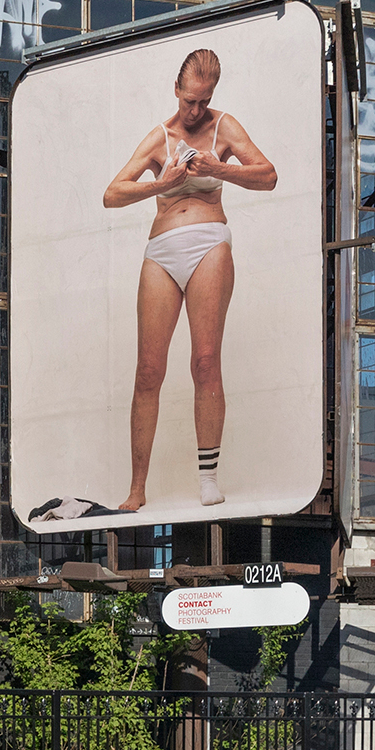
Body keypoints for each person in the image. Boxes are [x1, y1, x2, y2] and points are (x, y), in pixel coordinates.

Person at [98, 46, 275, 513]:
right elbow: (111, 195)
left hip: (209, 242)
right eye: (188, 100)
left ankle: (208, 477)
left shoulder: (224, 126)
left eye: (203, 100)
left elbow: (268, 176)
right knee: (148, 371)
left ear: (211, 94)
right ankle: (137, 488)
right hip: (161, 250)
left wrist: (217, 168)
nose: (195, 110)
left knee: (204, 360)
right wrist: (164, 181)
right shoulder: (160, 136)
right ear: (176, 90)